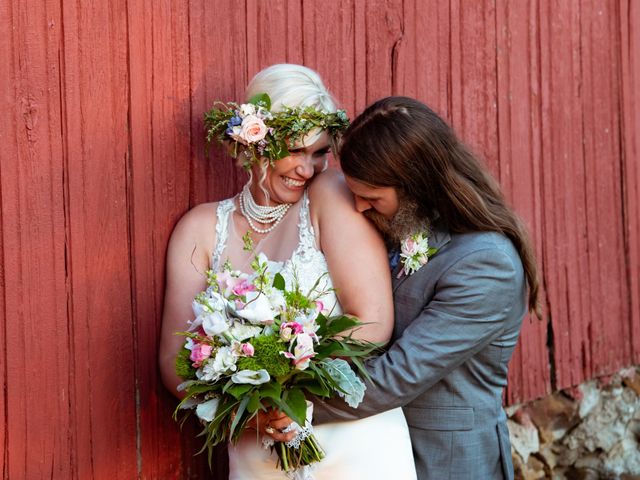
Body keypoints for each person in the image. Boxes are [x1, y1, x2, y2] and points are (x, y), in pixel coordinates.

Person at [158, 66, 417, 479]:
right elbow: (175, 360)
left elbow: (373, 321)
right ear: (255, 142)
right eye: (296, 151)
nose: (308, 168)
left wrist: (290, 380)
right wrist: (251, 406)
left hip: (352, 441)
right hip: (255, 443)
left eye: (320, 153)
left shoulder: (329, 196)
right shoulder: (200, 228)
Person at [268, 96, 540, 479]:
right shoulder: (406, 226)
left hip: (445, 458)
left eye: (372, 197)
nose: (359, 207)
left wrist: (287, 399)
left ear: (415, 185)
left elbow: (398, 375)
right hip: (377, 449)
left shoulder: (486, 264)